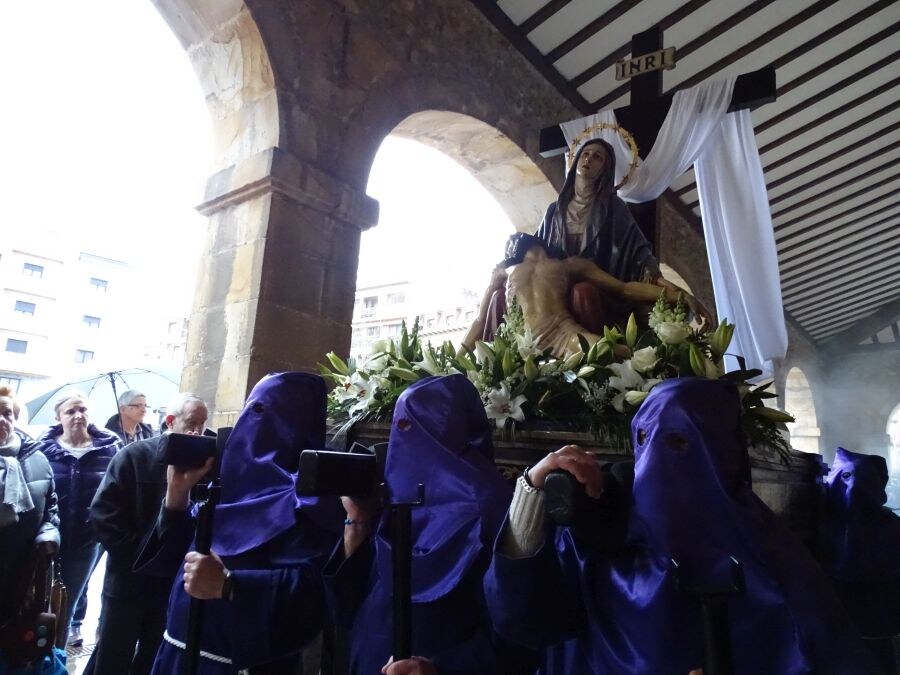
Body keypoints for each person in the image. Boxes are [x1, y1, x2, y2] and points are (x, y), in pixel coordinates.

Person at [485, 377, 875, 674]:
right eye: (644, 439)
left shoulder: (776, 557)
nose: (658, 463)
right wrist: (530, 493)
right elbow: (523, 621)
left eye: (680, 444)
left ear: (724, 454)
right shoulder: (601, 545)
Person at [326, 374, 537, 675]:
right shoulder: (399, 494)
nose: (403, 440)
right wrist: (357, 522)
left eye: (414, 426)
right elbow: (347, 609)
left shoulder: (493, 506)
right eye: (400, 426)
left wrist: (442, 669)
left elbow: (516, 631)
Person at [134, 372, 342, 674]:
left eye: (265, 412)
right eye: (251, 409)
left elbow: (315, 597)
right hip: (177, 654)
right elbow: (180, 563)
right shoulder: (227, 483)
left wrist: (230, 586)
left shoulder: (311, 503)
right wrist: (177, 497)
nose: (252, 421)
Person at [480, 138, 711, 340]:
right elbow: (533, 258)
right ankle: (496, 362)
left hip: (600, 289)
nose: (588, 159)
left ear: (605, 169)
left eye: (597, 157)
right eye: (585, 154)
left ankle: (595, 361)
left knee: (583, 291)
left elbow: (640, 260)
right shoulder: (555, 211)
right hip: (556, 288)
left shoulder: (613, 209)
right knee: (503, 296)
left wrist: (675, 291)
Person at [84, 393, 209, 675]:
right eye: (191, 422)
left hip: (170, 584)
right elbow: (103, 515)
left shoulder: (205, 465)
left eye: (202, 424)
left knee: (154, 656)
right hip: (127, 579)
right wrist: (141, 555)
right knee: (113, 655)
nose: (197, 431)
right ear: (170, 421)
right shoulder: (133, 455)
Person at [463, 233, 706, 357]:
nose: (510, 244)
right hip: (523, 343)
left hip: (565, 334)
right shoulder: (504, 272)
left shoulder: (569, 265)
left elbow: (623, 288)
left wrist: (680, 297)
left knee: (616, 352)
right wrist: (453, 362)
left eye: (511, 241)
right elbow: (480, 320)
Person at [35, 393, 120, 648]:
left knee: (67, 603)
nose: (78, 416)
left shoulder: (110, 448)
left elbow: (119, 490)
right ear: (58, 417)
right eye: (70, 411)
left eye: (82, 410)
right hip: (48, 538)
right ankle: (34, 656)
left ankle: (56, 657)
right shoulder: (43, 449)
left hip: (86, 541)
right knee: (38, 603)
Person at [0, 386, 67, 674]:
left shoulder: (37, 461)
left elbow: (51, 510)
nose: (2, 419)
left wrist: (49, 535)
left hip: (22, 579)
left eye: (6, 413)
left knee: (15, 650)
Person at [819, 447, 900, 673]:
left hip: (871, 621)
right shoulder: (889, 524)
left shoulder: (826, 522)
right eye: (846, 479)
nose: (853, 488)